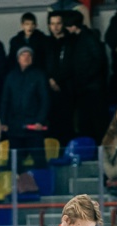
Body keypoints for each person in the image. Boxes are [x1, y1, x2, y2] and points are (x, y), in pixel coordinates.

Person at [0, 47, 50, 168]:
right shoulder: (11, 76)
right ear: (18, 59)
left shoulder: (39, 75)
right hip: (15, 127)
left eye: (29, 55)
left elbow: (45, 100)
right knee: (13, 164)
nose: (26, 58)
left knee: (40, 164)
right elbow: (5, 100)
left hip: (34, 128)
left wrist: (40, 121)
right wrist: (3, 121)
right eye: (23, 55)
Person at [46, 11, 74, 143]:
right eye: (52, 24)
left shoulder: (70, 42)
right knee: (52, 121)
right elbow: (43, 64)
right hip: (49, 88)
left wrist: (59, 81)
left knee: (67, 121)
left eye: (58, 23)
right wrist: (50, 80)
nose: (55, 27)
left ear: (63, 25)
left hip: (67, 88)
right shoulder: (46, 43)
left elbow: (72, 65)